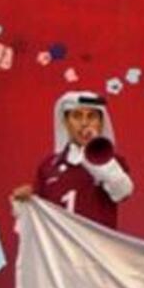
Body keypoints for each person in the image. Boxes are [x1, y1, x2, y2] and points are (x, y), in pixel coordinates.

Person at [13, 90, 134, 229]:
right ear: (65, 122)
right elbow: (39, 219)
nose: (84, 123)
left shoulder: (112, 160)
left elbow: (123, 192)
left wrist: (97, 154)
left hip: (95, 243)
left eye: (91, 116)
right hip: (60, 243)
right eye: (77, 116)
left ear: (101, 123)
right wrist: (25, 200)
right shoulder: (48, 165)